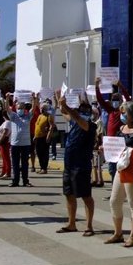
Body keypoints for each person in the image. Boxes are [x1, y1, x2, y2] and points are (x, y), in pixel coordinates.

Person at [105, 102, 133, 247]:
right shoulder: (121, 129)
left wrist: (130, 150)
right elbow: (115, 146)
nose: (122, 115)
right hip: (122, 168)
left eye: (124, 112)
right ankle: (118, 233)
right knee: (114, 200)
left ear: (131, 114)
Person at [55, 93, 96, 236]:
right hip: (69, 164)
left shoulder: (89, 126)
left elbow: (77, 118)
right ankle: (71, 223)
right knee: (69, 194)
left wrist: (66, 105)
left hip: (81, 166)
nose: (80, 113)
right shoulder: (74, 123)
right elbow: (65, 114)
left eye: (84, 111)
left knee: (85, 195)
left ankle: (89, 226)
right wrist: (58, 100)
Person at [94, 77, 132, 182]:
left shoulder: (123, 112)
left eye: (117, 100)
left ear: (120, 101)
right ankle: (114, 189)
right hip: (111, 144)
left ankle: (121, 189)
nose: (115, 102)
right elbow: (100, 100)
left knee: (121, 166)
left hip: (121, 143)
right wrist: (97, 86)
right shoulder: (110, 110)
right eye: (113, 100)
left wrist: (121, 86)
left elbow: (128, 100)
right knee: (111, 169)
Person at [6, 94, 34, 187]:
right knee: (15, 163)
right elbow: (7, 109)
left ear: (24, 108)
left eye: (22, 107)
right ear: (16, 108)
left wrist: (34, 98)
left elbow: (33, 108)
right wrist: (7, 98)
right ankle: (15, 181)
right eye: (19, 107)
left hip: (26, 144)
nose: (20, 109)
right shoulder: (13, 116)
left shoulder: (27, 116)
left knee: (25, 163)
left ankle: (25, 181)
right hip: (15, 144)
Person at [33, 102, 53, 174]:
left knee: (44, 153)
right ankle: (42, 167)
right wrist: (35, 136)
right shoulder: (40, 116)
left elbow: (51, 126)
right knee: (38, 153)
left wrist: (48, 136)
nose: (41, 110)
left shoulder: (49, 116)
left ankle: (44, 168)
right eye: (41, 108)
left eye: (43, 109)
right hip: (38, 137)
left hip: (44, 137)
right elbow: (37, 126)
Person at [0, 110, 12, 179]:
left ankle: (7, 172)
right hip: (4, 141)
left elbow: (5, 132)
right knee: (4, 157)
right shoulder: (8, 122)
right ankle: (4, 171)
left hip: (4, 141)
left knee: (6, 157)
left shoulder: (7, 122)